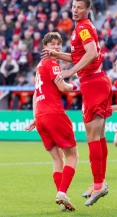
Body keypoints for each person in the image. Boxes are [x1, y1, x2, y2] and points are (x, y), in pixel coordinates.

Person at [42, 0, 112, 206]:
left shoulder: (83, 28)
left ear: (87, 10)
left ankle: (99, 185)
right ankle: (99, 182)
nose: (75, 10)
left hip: (93, 82)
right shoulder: (81, 28)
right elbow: (79, 55)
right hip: (95, 81)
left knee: (92, 135)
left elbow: (90, 54)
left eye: (80, 8)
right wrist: (57, 54)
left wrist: (70, 72)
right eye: (73, 7)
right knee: (98, 135)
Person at [26, 32, 78, 211]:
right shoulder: (52, 63)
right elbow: (63, 87)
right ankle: (62, 192)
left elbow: (35, 94)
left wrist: (35, 117)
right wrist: (74, 86)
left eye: (58, 44)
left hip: (41, 117)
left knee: (58, 160)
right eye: (52, 44)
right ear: (45, 47)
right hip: (54, 114)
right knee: (72, 155)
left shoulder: (39, 66)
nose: (56, 47)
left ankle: (61, 197)